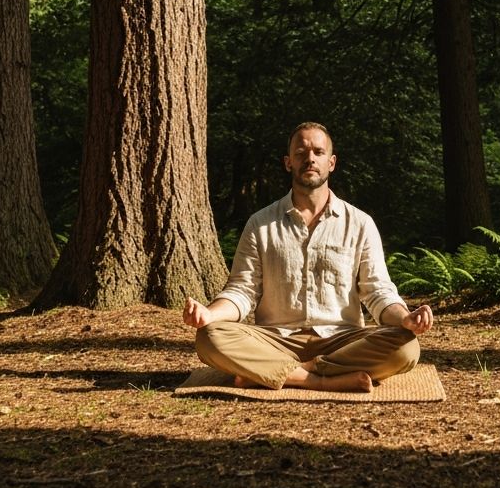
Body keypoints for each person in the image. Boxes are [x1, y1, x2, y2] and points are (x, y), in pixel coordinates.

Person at [183, 121, 434, 392]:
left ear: (332, 162)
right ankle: (322, 380)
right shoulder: (260, 223)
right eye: (301, 153)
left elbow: (378, 293)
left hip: (342, 339)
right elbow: (242, 292)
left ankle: (280, 372)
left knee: (407, 346)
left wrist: (405, 319)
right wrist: (209, 314)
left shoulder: (360, 223)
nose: (310, 158)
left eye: (318, 152)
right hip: (275, 340)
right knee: (209, 337)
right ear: (288, 162)